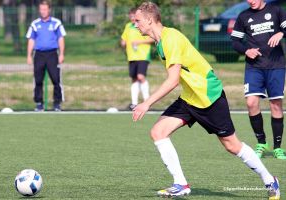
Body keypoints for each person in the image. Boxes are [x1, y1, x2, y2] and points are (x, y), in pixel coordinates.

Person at [132, 2, 280, 199]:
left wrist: (147, 102)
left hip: (208, 96)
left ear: (150, 20)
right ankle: (181, 184)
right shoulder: (160, 41)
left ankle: (270, 179)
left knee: (232, 146)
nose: (135, 25)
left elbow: (173, 79)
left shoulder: (171, 38)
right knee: (158, 132)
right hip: (190, 97)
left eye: (137, 20)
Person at [231, 0, 286, 160]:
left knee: (275, 105)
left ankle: (277, 147)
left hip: (276, 65)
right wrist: (246, 50)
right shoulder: (243, 16)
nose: (250, 1)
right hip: (254, 67)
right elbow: (235, 41)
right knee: (251, 103)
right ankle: (261, 143)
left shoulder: (276, 10)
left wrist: (281, 33)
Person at [26, 0, 66, 112]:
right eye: (41, 9)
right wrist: (29, 55)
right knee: (38, 80)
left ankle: (57, 103)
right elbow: (31, 39)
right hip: (39, 55)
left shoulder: (56, 23)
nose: (43, 12)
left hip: (52, 54)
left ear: (49, 10)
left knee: (56, 79)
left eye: (45, 9)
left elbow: (61, 38)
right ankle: (39, 103)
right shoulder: (35, 24)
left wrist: (62, 54)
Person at [121, 8, 154, 110]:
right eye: (130, 16)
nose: (132, 18)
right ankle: (134, 103)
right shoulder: (128, 26)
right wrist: (123, 42)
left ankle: (147, 101)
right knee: (134, 78)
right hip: (132, 57)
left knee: (141, 77)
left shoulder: (143, 26)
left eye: (133, 16)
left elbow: (151, 39)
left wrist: (139, 42)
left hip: (143, 56)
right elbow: (124, 38)